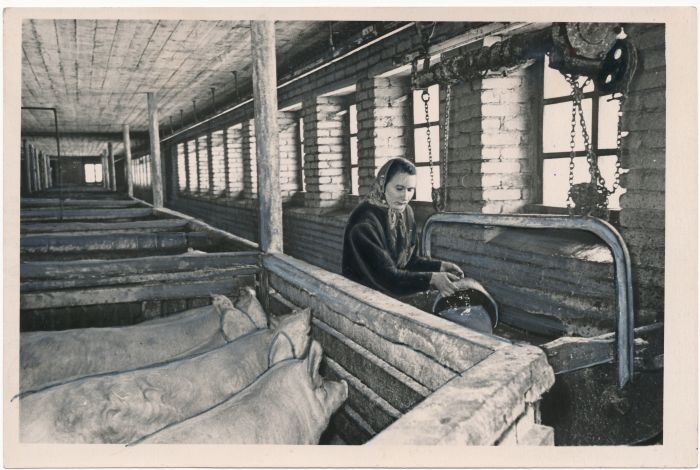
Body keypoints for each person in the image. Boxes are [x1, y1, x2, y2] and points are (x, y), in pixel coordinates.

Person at [342, 157, 464, 298]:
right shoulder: (364, 221)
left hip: (390, 294)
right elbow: (388, 279)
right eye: (399, 188)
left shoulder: (406, 212)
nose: (405, 196)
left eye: (410, 189)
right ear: (382, 184)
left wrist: (439, 266)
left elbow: (409, 262)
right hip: (363, 298)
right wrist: (432, 278)